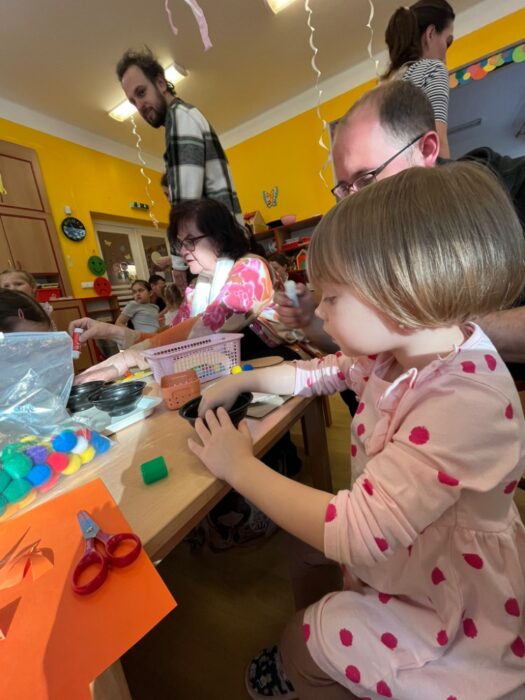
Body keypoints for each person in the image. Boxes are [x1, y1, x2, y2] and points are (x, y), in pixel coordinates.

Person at [190, 163, 525, 699]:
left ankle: (313, 662)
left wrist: (239, 467)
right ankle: (322, 653)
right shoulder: (397, 353)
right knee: (303, 554)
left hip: (453, 603)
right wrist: (243, 377)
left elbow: (357, 530)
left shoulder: (465, 400)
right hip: (411, 550)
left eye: (331, 297)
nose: (320, 312)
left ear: (402, 293)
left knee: (301, 639)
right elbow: (318, 372)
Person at [275, 80, 525, 367]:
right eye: (344, 188)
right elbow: (364, 346)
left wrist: (428, 328)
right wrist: (311, 320)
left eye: (366, 179)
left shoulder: (511, 193)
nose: (354, 201)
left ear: (426, 149)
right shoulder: (373, 237)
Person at [71, 198, 306, 383]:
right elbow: (170, 337)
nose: (183, 251)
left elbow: (205, 328)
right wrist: (111, 331)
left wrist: (128, 358)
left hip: (279, 362)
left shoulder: (251, 268)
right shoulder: (197, 287)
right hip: (228, 369)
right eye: (180, 243)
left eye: (191, 241)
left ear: (220, 237)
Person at [116, 47, 243, 225]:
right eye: (133, 102)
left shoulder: (179, 117)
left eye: (141, 92)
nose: (140, 106)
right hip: (222, 236)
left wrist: (179, 240)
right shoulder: (183, 116)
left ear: (160, 83)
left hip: (216, 239)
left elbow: (186, 207)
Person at [383, 0, 455, 157]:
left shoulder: (387, 85)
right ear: (430, 34)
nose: (445, 54)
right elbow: (437, 143)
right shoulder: (432, 69)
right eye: (447, 42)